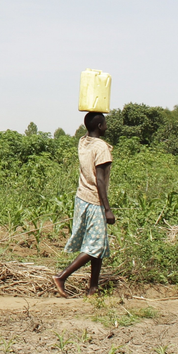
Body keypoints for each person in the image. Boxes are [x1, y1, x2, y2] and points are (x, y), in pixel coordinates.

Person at [51, 112, 116, 298]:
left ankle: (93, 288)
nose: (107, 126)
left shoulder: (83, 142)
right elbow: (101, 181)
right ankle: (62, 277)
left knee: (99, 245)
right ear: (99, 126)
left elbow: (88, 130)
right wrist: (107, 209)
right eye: (104, 123)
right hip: (95, 201)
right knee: (95, 246)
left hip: (82, 198)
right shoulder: (101, 148)